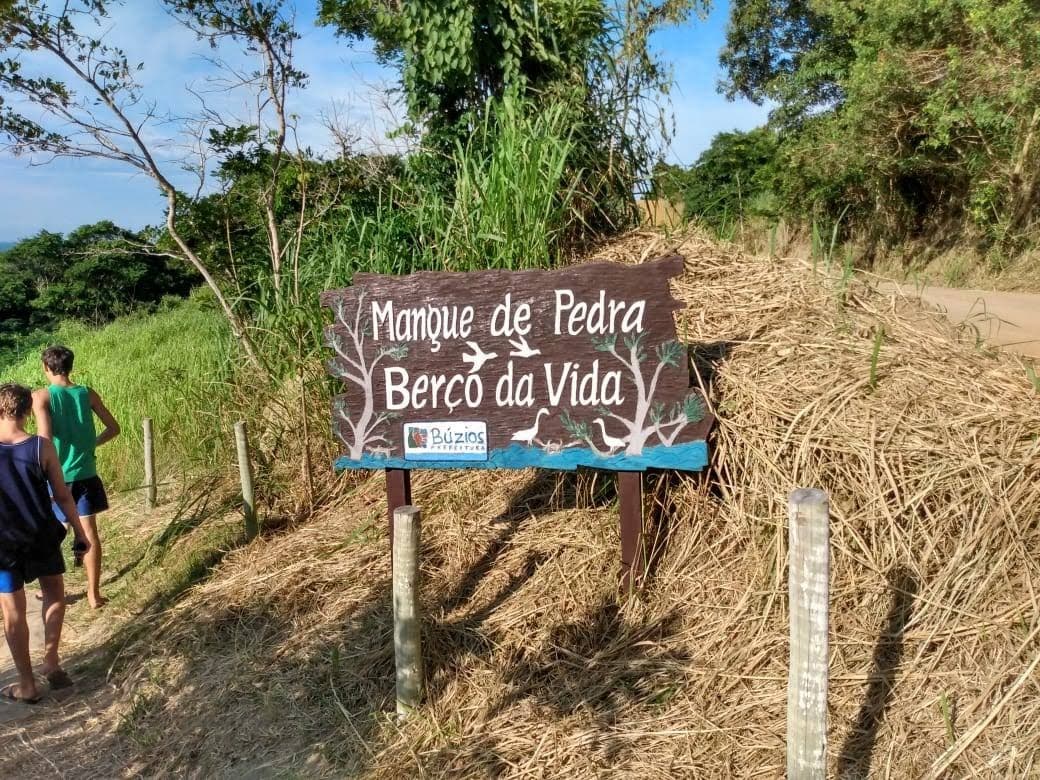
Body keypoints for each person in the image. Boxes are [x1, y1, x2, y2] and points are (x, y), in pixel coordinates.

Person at [0, 383, 89, 703]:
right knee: (54, 592)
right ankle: (51, 660)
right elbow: (63, 496)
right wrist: (81, 532)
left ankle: (27, 685)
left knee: (13, 611)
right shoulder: (42, 447)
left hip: (4, 543)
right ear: (27, 411)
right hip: (41, 533)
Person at [32, 345, 120, 610]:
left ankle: (53, 592)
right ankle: (94, 595)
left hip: (57, 476)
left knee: (54, 533)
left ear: (46, 367)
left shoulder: (41, 397)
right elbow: (114, 428)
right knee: (89, 532)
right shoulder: (87, 393)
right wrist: (91, 444)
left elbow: (45, 440)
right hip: (86, 473)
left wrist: (39, 476)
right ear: (70, 366)